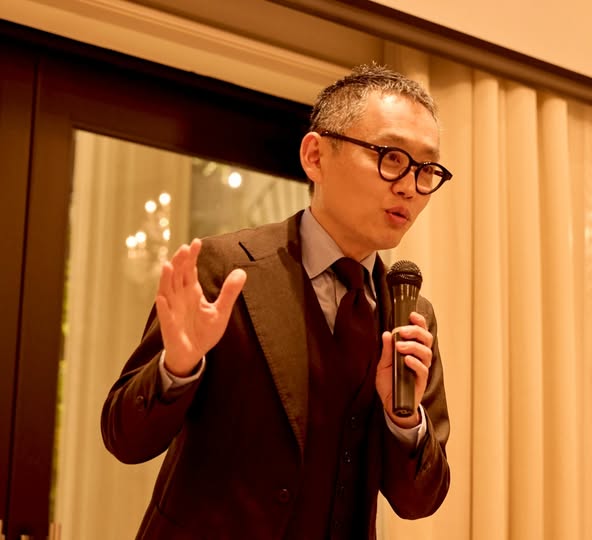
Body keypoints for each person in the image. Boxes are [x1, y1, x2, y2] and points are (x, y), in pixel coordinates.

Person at [101, 64, 452, 539]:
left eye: (427, 170)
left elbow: (419, 500)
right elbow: (124, 439)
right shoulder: (226, 269)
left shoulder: (410, 312)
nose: (409, 186)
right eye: (391, 157)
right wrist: (176, 369)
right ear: (315, 156)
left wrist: (402, 418)